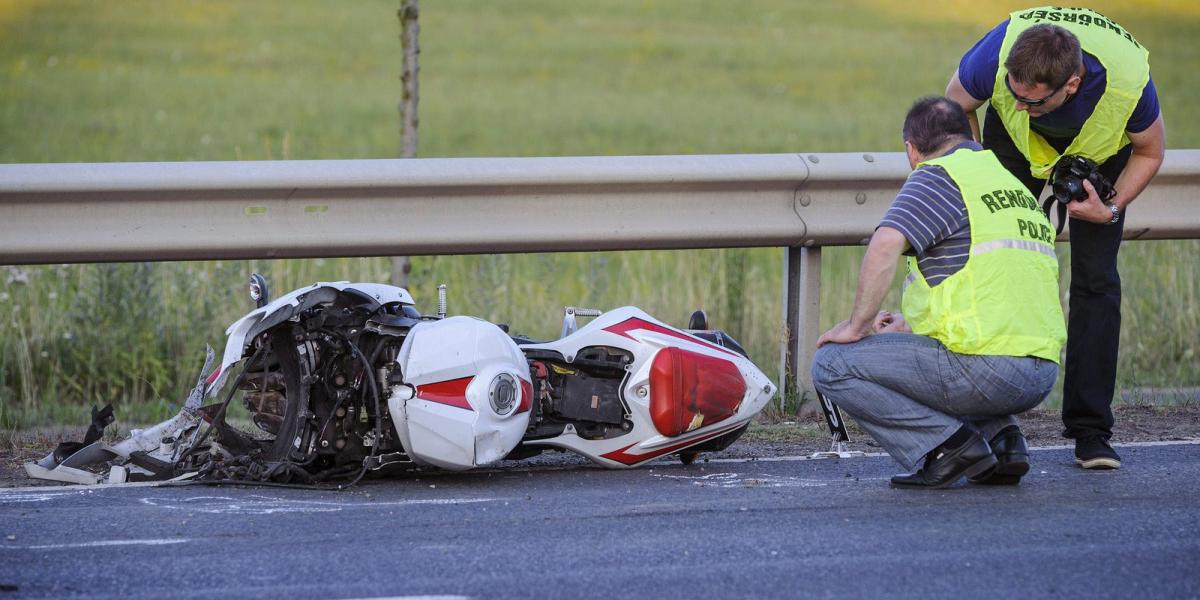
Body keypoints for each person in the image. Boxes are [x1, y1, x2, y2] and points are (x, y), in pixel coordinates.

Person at [945, 6, 1166, 469]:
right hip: (1012, 145)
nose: (1021, 103)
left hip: (1101, 154)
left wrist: (1109, 209)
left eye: (1034, 100)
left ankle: (1091, 431)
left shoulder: (1129, 82)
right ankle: (993, 424)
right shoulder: (997, 52)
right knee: (994, 269)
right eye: (1014, 93)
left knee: (1096, 281)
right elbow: (957, 105)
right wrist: (982, 176)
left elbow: (1149, 150)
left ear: (1071, 85)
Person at [811, 96, 1065, 489]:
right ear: (968, 135)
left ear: (911, 150)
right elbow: (989, 288)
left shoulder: (938, 176)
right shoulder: (1007, 182)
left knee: (831, 364)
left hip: (988, 371)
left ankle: (947, 449)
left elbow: (885, 243)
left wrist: (857, 326)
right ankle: (1004, 441)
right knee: (945, 357)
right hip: (1041, 371)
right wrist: (910, 326)